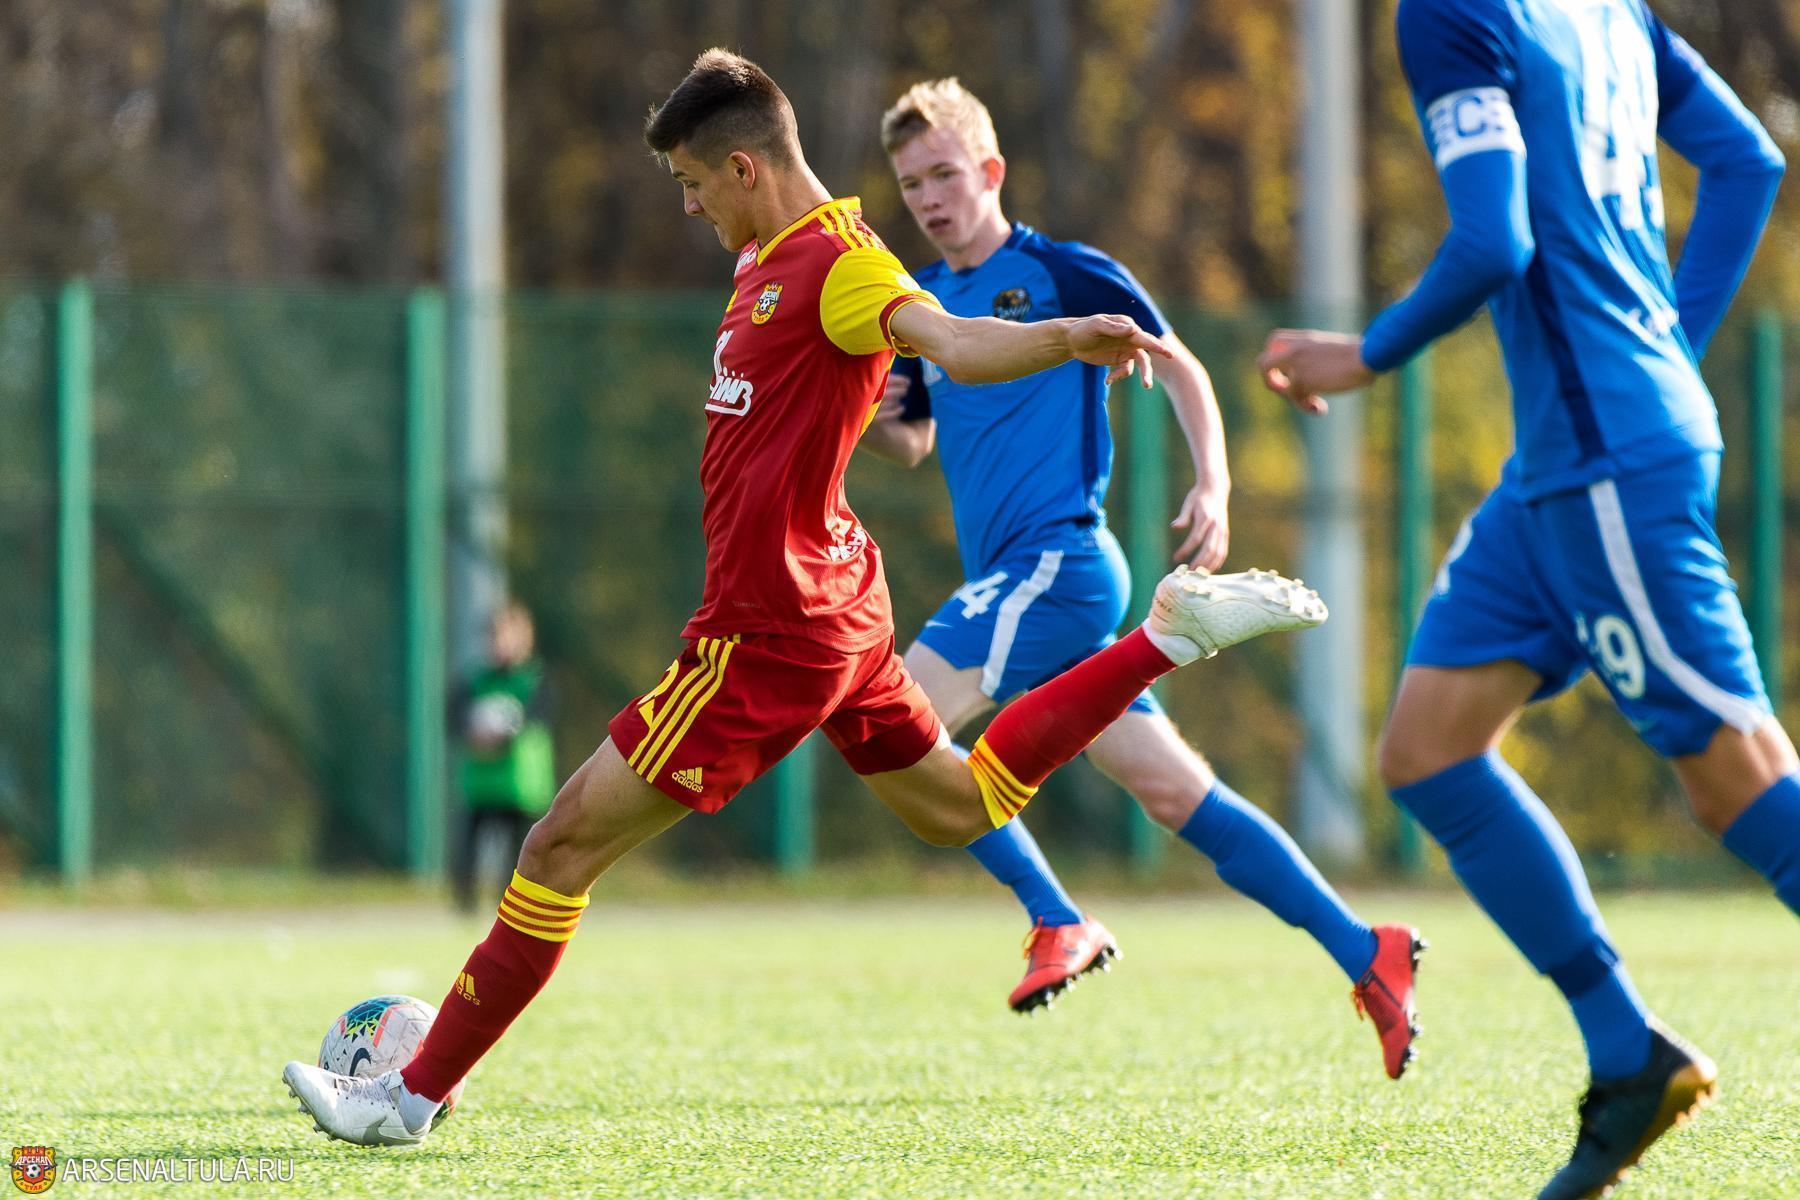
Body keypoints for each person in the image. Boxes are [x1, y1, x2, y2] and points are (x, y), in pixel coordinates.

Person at [282, 48, 1327, 1146]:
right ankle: (1165, 636)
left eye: (694, 184)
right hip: (836, 607)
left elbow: (956, 343)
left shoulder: (845, 263)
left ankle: (408, 1096)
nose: (689, 206)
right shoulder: (763, 260)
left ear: (745, 168)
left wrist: (1069, 336)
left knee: (558, 848)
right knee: (960, 807)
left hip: (767, 634)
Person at [1257, 2, 1790, 1196]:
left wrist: (1364, 355)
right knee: (1428, 752)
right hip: (1559, 470)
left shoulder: (1455, 11)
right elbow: (1748, 161)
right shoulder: (1608, 9)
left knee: (1737, 778)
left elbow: (1492, 242)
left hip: (1608, 464)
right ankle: (1628, 1055)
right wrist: (1665, 345)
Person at [863, 76, 1423, 1074]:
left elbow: (1181, 367)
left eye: (945, 174)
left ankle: (1056, 917)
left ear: (990, 170)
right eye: (912, 186)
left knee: (899, 724)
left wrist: (1215, 484)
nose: (931, 198)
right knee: (1174, 794)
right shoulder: (923, 304)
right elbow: (908, 437)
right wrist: (847, 409)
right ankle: (1366, 951)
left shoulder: (1063, 273)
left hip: (1057, 565)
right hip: (1026, 592)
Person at [449, 603, 557, 914]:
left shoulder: (535, 679)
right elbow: (454, 719)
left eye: (509, 636)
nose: (501, 644)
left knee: (520, 858)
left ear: (526, 639)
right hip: (482, 783)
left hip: (522, 787)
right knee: (466, 855)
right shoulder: (474, 681)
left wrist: (505, 734)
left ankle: (513, 910)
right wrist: (472, 733)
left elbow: (537, 718)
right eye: (496, 637)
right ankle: (465, 910)